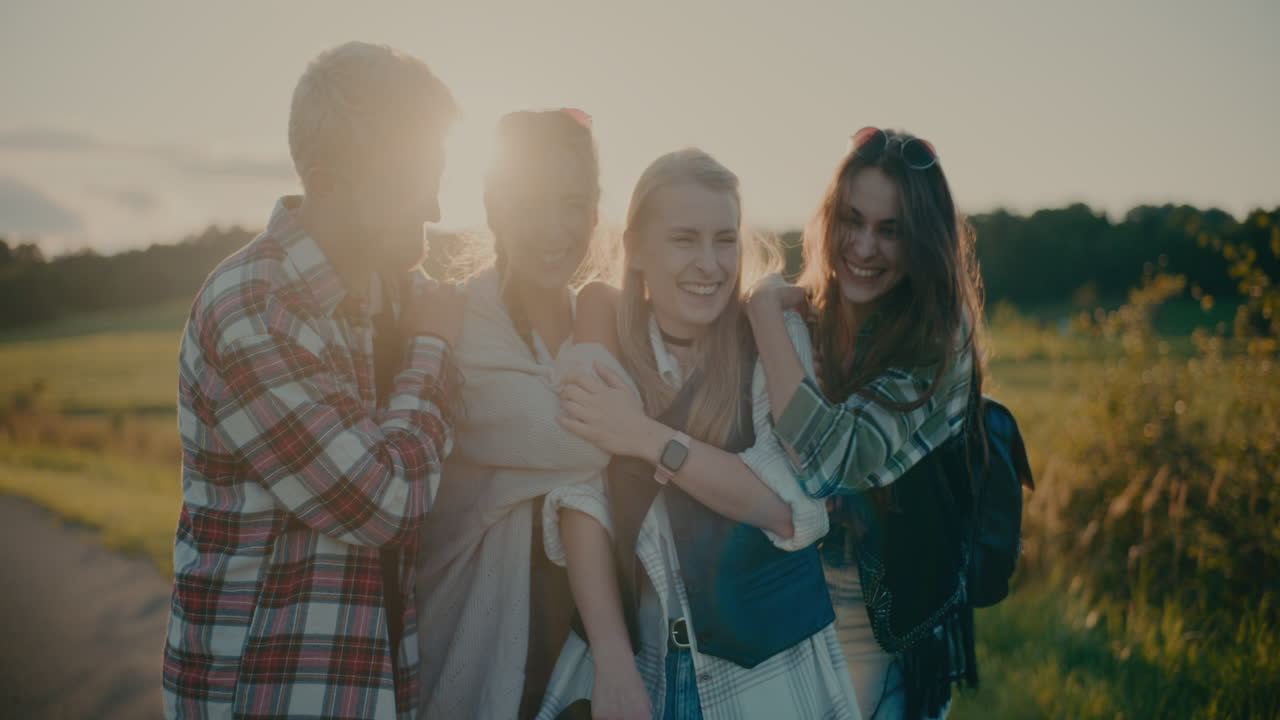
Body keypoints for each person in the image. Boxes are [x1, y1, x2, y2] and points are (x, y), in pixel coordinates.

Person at [163, 42, 462, 720]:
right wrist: (434, 348)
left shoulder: (392, 296)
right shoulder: (253, 307)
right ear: (327, 183)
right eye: (411, 180)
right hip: (268, 693)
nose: (437, 208)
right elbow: (381, 500)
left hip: (376, 687)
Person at [537, 148, 862, 720]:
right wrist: (612, 662)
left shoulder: (772, 338)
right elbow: (579, 499)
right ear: (635, 247)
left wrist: (643, 436)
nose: (710, 264)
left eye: (725, 239)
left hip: (766, 679)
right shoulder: (605, 343)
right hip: (640, 669)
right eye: (684, 240)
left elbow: (790, 511)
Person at [746, 127, 983, 720]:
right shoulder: (818, 313)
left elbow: (829, 463)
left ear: (924, 242)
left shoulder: (939, 338)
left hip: (875, 618)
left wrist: (762, 313)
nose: (863, 246)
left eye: (890, 230)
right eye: (852, 220)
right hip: (787, 594)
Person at [413, 108, 610, 719]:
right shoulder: (463, 324)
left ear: (596, 208)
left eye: (572, 202)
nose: (555, 229)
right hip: (484, 655)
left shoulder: (591, 321)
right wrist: (605, 311)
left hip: (582, 657)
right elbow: (583, 438)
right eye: (530, 204)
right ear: (494, 207)